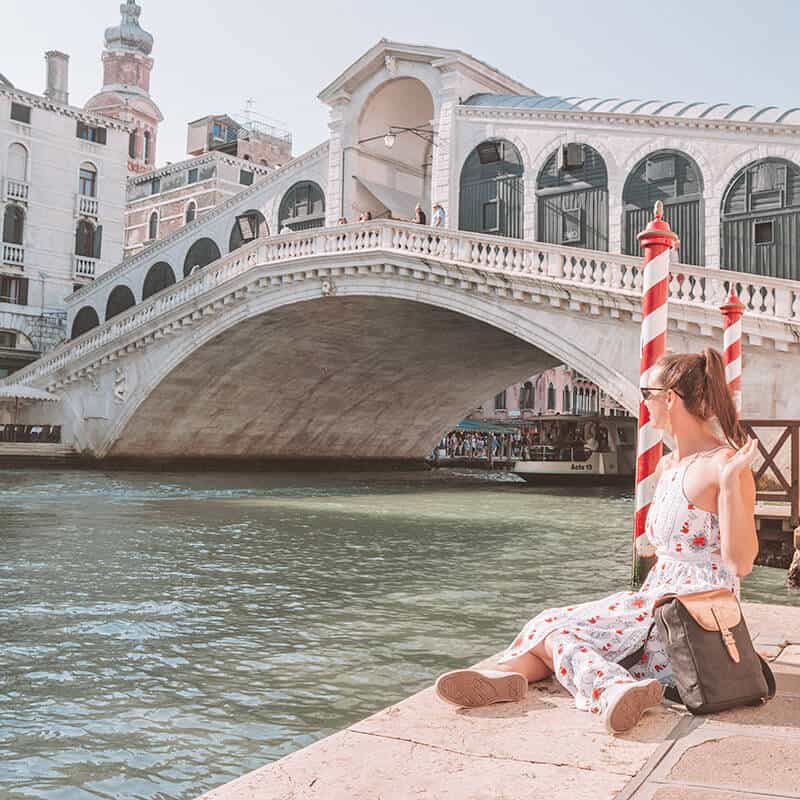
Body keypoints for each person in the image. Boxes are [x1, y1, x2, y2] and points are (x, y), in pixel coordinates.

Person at [434, 348, 759, 734]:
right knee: (556, 629)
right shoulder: (669, 465)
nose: (643, 405)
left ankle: (609, 686)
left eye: (646, 394)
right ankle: (507, 676)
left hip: (689, 624)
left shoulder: (723, 467)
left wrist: (728, 487)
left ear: (669, 398)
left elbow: (740, 564)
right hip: (655, 602)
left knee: (555, 627)